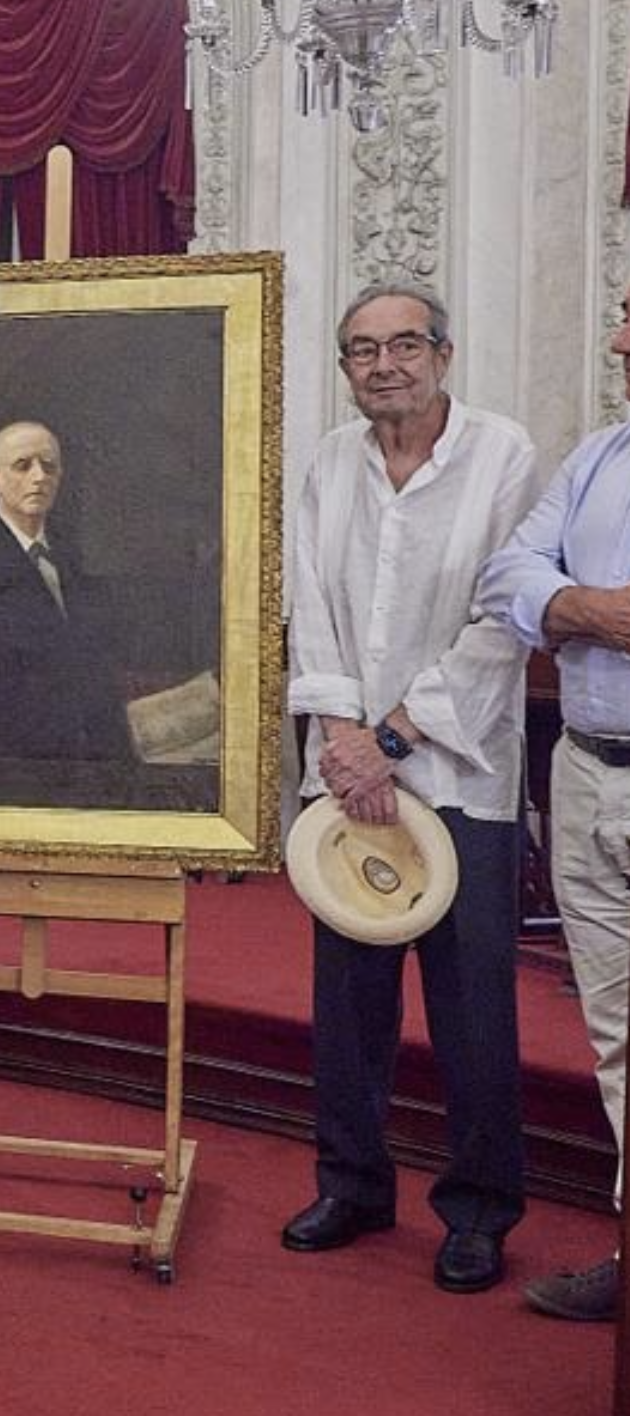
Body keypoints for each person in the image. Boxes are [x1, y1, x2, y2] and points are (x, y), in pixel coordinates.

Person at [281, 283, 539, 1294]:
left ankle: (477, 1210)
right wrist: (343, 737)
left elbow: (502, 620)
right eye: (360, 351)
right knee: (347, 1002)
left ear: (443, 351)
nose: (383, 365)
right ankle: (350, 1184)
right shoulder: (327, 464)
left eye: (402, 345)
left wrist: (392, 736)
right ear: (344, 367)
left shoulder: (504, 457)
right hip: (342, 779)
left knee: (471, 1007)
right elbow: (310, 604)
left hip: (456, 773)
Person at [477, 284, 630, 1323]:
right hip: (584, 768)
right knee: (615, 1033)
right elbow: (507, 573)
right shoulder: (597, 460)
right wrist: (582, 607)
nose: (616, 335)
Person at [0, 420, 130, 770]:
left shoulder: (72, 558)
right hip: (7, 762)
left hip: (84, 760)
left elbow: (93, 668)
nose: (39, 477)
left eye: (49, 466)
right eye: (23, 465)